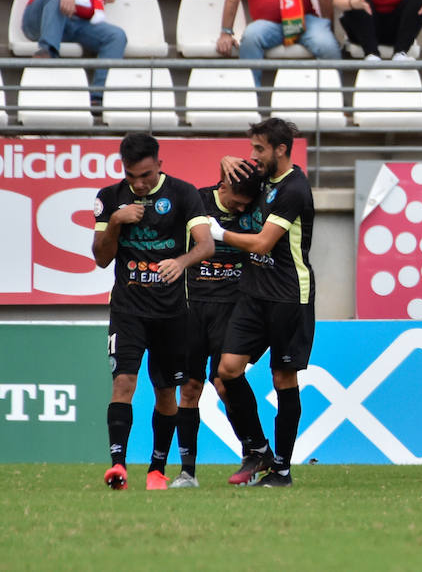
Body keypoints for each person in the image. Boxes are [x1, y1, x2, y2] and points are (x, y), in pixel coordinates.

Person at [93, 132, 213, 490]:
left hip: (172, 313)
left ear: (160, 165)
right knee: (123, 382)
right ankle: (118, 467)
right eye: (132, 176)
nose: (139, 183)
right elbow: (101, 258)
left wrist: (181, 261)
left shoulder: (183, 194)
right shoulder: (110, 199)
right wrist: (116, 221)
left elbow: (205, 245)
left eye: (146, 175)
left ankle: (156, 470)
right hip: (128, 310)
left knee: (166, 393)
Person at [210, 118, 317, 488]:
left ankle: (282, 471)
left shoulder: (294, 189)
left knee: (283, 377)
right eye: (252, 148)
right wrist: (226, 158)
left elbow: (262, 244)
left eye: (259, 149)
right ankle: (258, 449)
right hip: (254, 294)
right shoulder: (262, 179)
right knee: (227, 370)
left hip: (289, 296)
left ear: (281, 150)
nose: (253, 156)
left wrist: (217, 232)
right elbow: (230, 174)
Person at [170, 167, 263, 488]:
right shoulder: (196, 201)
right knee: (190, 388)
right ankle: (187, 473)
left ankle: (252, 455)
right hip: (192, 306)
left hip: (234, 308)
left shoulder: (254, 207)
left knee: (226, 382)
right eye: (236, 202)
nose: (240, 208)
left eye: (244, 204)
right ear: (222, 186)